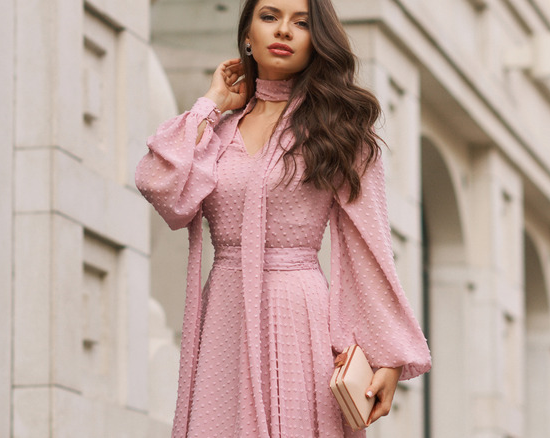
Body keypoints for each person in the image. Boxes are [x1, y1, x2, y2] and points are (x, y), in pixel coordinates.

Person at [136, 0, 431, 435]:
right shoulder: (217, 133)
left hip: (299, 316)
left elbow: (368, 246)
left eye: (302, 23)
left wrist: (385, 356)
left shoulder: (339, 132)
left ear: (317, 41)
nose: (284, 32)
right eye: (270, 17)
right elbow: (161, 185)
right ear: (248, 36)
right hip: (225, 314)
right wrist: (212, 102)